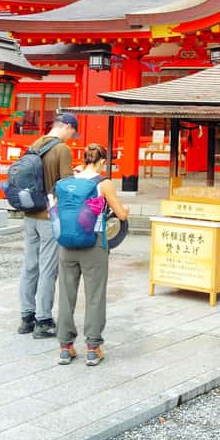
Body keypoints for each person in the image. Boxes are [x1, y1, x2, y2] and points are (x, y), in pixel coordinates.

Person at [57, 144, 130, 366]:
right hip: (94, 244)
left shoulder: (68, 182)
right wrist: (125, 210)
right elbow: (120, 214)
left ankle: (65, 348)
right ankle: (92, 348)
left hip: (66, 244)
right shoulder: (103, 183)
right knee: (95, 296)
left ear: (84, 159)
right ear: (102, 162)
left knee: (66, 295)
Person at [18, 113, 78, 339]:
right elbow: (66, 185)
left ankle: (26, 318)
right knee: (48, 268)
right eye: (72, 132)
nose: (72, 137)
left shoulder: (35, 144)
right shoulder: (61, 149)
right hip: (48, 216)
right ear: (67, 127)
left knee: (29, 265)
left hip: (29, 213)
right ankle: (43, 320)